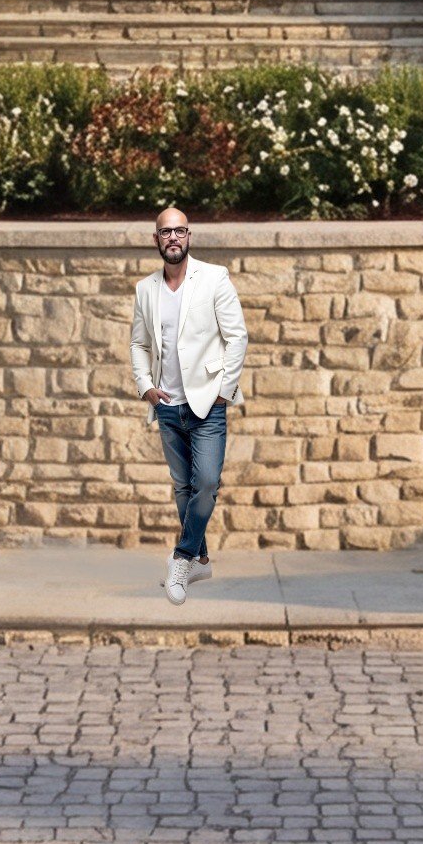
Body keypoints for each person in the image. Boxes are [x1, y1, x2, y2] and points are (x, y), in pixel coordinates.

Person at [128, 205, 245, 601]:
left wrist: (223, 390)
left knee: (207, 483)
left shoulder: (214, 278)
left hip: (208, 404)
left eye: (180, 231)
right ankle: (202, 559)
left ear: (189, 236)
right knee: (183, 487)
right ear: (156, 239)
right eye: (166, 232)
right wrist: (145, 386)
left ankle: (182, 559)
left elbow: (237, 337)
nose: (173, 237)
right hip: (167, 405)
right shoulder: (146, 289)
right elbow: (139, 344)